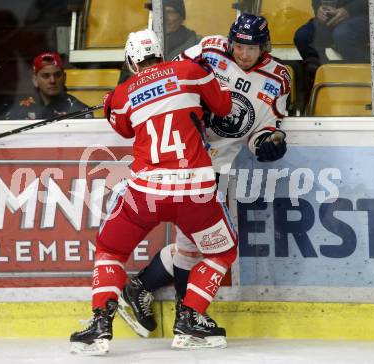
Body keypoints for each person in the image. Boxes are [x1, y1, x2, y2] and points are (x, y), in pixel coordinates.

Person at [118, 13, 290, 347]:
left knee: (193, 243)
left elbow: (266, 128)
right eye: (239, 45)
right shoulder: (209, 50)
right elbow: (166, 77)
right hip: (184, 158)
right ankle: (186, 314)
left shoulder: (279, 78)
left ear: (264, 46)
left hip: (218, 166)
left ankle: (147, 290)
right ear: (230, 41)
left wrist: (269, 143)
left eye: (251, 47)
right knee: (200, 243)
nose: (243, 53)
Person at [69, 28, 237, 355]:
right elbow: (224, 106)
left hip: (146, 191)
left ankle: (100, 323)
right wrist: (216, 78)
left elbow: (123, 126)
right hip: (195, 190)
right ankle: (191, 317)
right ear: (161, 52)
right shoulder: (190, 71)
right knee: (222, 252)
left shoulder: (123, 92)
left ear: (131, 61)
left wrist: (110, 103)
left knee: (111, 250)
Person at [117, 0, 200, 84]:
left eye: (170, 12)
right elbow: (125, 85)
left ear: (181, 16)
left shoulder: (197, 44)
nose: (164, 18)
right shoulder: (138, 45)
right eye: (159, 12)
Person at [0, 52, 92, 120]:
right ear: (35, 80)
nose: (52, 80)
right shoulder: (19, 109)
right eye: (46, 76)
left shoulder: (80, 111)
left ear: (64, 77)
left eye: (57, 75)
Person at [294, 0, 369, 74]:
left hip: (362, 16)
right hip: (331, 18)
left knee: (342, 34)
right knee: (303, 36)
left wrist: (349, 10)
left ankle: (364, 78)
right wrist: (319, 10)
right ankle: (326, 77)